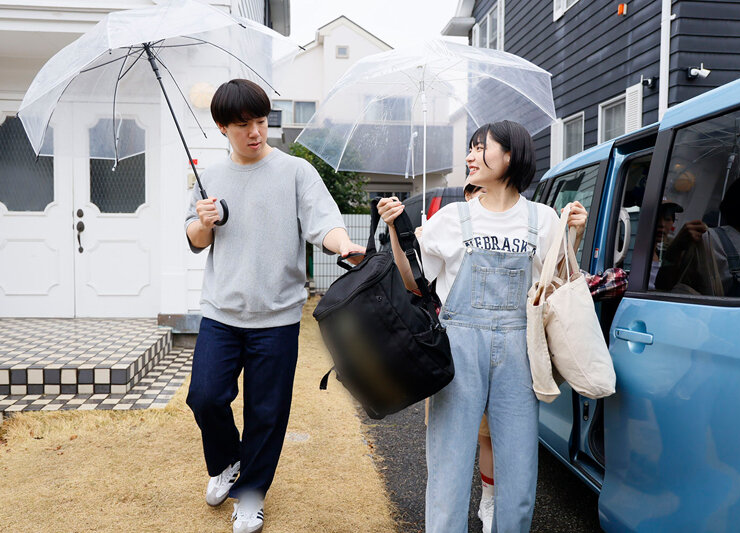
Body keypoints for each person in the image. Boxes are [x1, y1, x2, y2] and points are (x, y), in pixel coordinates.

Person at [379, 120, 587, 533]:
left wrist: (573, 238)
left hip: (520, 351)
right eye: (470, 149)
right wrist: (395, 233)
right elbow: (413, 283)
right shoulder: (452, 217)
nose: (470, 156)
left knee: (520, 474)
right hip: (458, 349)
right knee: (448, 469)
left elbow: (557, 286)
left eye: (480, 147)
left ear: (509, 155)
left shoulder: (544, 219)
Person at [184, 79, 365, 533]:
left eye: (262, 122)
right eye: (243, 125)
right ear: (222, 127)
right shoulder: (210, 177)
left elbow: (324, 224)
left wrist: (344, 245)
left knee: (266, 413)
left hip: (278, 316)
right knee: (205, 396)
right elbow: (194, 238)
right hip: (222, 313)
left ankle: (251, 494)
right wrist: (204, 223)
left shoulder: (295, 172)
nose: (255, 132)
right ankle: (226, 463)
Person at [419, 182, 496, 533]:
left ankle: (488, 499)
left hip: (495, 349)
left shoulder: (507, 230)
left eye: (485, 189)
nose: (479, 195)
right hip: (451, 350)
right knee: (448, 443)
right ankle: (447, 507)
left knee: (487, 437)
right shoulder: (450, 225)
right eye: (473, 190)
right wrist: (414, 241)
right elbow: (418, 283)